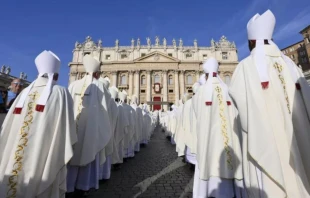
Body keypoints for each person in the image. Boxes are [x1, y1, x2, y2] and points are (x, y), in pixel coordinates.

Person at [229, 10, 310, 197]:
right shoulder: (292, 66)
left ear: (251, 41)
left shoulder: (246, 66)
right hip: (302, 137)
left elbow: (239, 106)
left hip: (267, 143)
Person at [0, 50, 77, 197]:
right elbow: (67, 127)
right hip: (43, 151)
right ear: (56, 75)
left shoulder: (23, 94)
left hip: (14, 153)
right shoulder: (61, 92)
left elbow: (6, 130)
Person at [192, 57, 244, 198]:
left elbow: (197, 113)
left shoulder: (201, 92)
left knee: (209, 158)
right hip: (229, 140)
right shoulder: (228, 89)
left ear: (206, 74)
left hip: (209, 137)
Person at [67, 54, 112, 194]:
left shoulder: (73, 85)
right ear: (98, 73)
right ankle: (83, 186)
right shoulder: (101, 87)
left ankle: (68, 186)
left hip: (73, 127)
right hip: (91, 129)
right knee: (88, 152)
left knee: (71, 154)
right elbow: (106, 110)